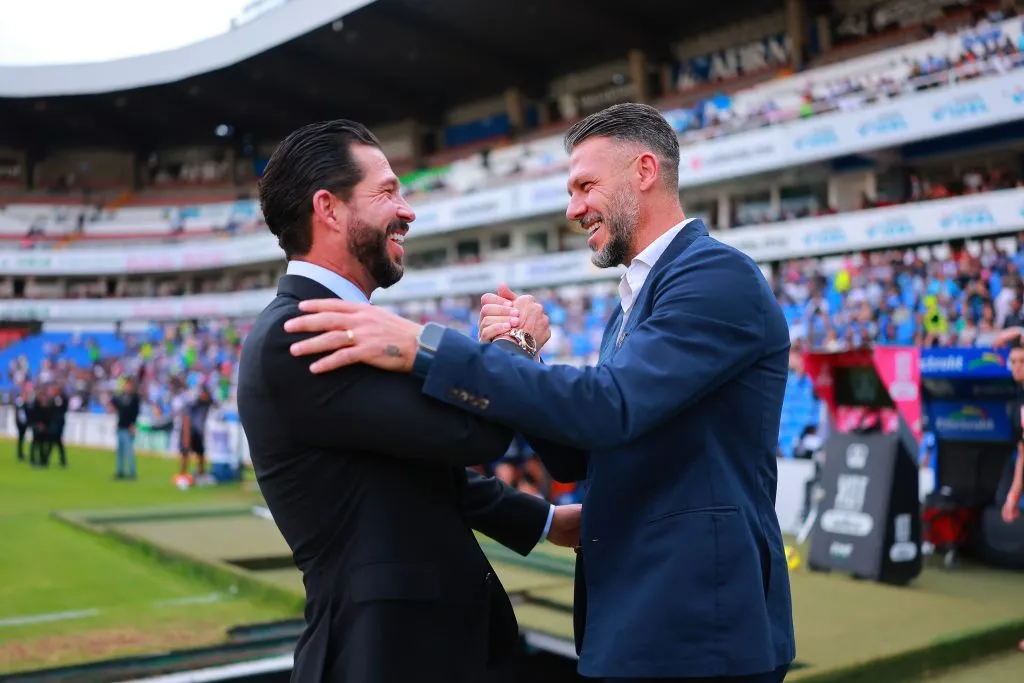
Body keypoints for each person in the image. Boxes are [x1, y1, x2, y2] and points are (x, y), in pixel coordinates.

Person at [284, 103, 796, 682]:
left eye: (585, 185)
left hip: (701, 630)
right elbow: (578, 452)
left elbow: (610, 406)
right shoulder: (631, 306)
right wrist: (521, 350)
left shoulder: (715, 276)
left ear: (645, 171)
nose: (573, 208)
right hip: (641, 625)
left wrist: (424, 349)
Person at [236, 119, 582, 683]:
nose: (408, 210)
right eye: (388, 191)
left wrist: (544, 522)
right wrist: (514, 348)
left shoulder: (342, 322)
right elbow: (473, 435)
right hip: (387, 653)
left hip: (417, 644)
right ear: (328, 208)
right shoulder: (301, 331)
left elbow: (415, 464)